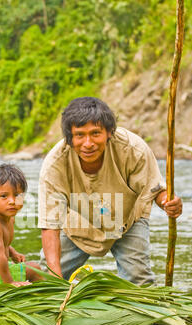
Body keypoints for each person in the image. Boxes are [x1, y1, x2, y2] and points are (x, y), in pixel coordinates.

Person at [38, 97, 182, 285]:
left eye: (95, 133)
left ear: (109, 133)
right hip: (76, 223)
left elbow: (154, 189)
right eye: (80, 135)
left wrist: (168, 203)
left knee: (139, 284)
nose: (88, 143)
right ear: (69, 138)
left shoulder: (133, 149)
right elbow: (50, 224)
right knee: (46, 280)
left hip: (128, 220)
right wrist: (54, 283)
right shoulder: (55, 164)